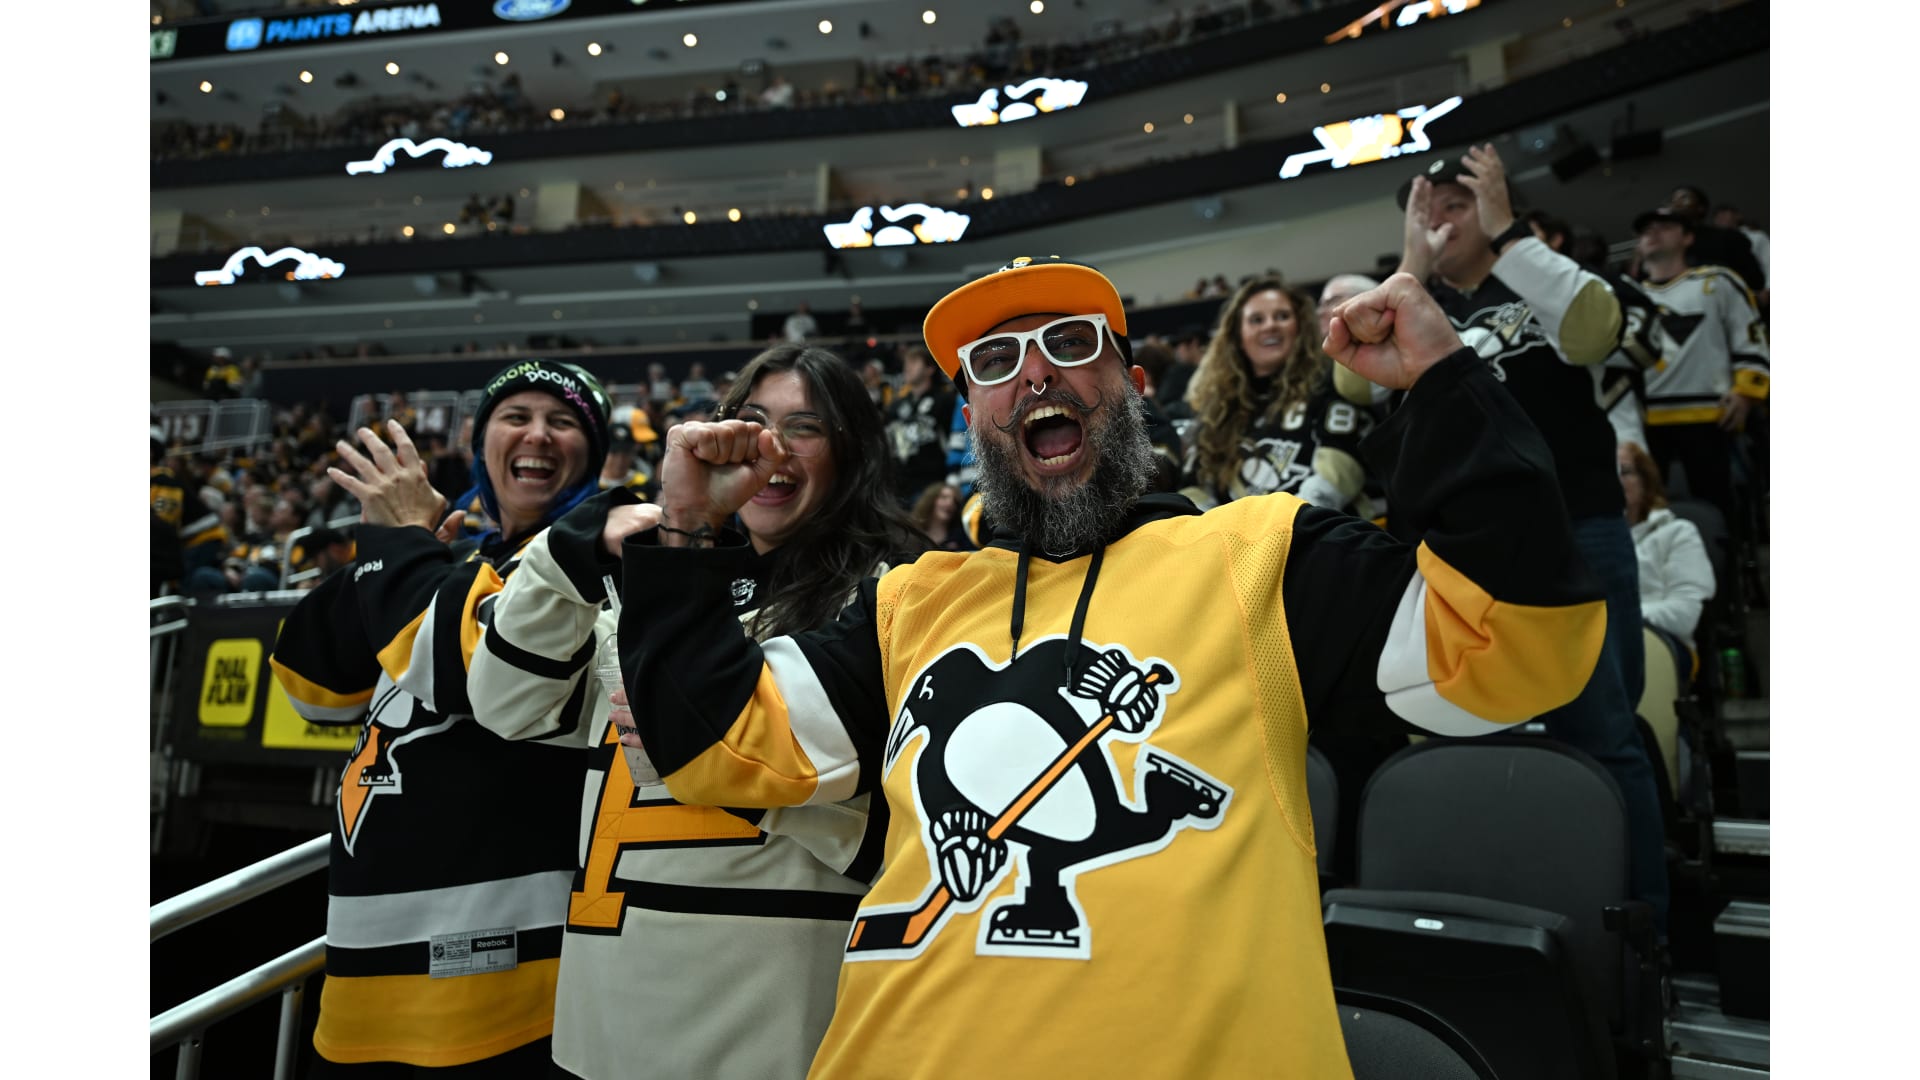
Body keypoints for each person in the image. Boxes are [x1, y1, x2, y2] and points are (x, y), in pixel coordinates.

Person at [602, 255, 1605, 1077]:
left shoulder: (1261, 556)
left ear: (1133, 386)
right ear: (971, 415)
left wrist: (1444, 381)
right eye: (997, 360)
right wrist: (685, 530)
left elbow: (1514, 647)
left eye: (1072, 343)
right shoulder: (911, 600)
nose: (1036, 373)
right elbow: (714, 747)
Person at [466, 344, 926, 1080]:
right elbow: (504, 705)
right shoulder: (652, 587)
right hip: (598, 1023)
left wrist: (716, 757)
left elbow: (913, 835)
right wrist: (569, 550)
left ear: (853, 453)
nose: (771, 446)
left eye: (805, 427)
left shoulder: (897, 596)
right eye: (752, 421)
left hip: (769, 1032)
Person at [269, 359, 615, 1075]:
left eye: (563, 422)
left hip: (500, 981)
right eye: (515, 417)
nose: (538, 435)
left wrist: (402, 552)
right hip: (362, 977)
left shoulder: (594, 565)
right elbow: (308, 687)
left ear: (594, 455)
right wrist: (387, 550)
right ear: (479, 442)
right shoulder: (446, 566)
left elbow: (467, 675)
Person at [1397, 145, 1669, 932]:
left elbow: (1593, 332)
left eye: (1458, 204)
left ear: (1495, 204)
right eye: (1427, 211)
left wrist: (1510, 234)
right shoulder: (1420, 304)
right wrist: (1411, 268)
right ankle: (1527, 918)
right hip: (1472, 552)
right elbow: (1354, 384)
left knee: (1605, 731)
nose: (1442, 223)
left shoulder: (1549, 280)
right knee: (1489, 738)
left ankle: (1641, 932)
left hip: (1579, 526)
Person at [1629, 206, 1770, 539]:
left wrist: (1746, 392)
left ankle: (1730, 570)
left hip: (1711, 416)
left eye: (1665, 226)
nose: (1653, 233)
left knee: (1719, 512)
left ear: (1688, 237)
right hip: (1644, 423)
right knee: (1649, 517)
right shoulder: (1627, 295)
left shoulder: (1717, 281)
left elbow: (1749, 335)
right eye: (1646, 229)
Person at [1179, 278, 1376, 513]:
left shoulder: (1330, 380)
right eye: (1256, 320)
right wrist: (1217, 528)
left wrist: (1288, 522)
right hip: (1232, 533)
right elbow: (1194, 487)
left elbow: (1341, 468)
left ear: (1300, 327)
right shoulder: (1219, 404)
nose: (1270, 326)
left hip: (1317, 526)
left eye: (1282, 316)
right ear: (1238, 336)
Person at [1620, 441, 1715, 660]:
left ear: (1645, 481)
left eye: (1625, 472)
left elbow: (1685, 614)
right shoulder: (1584, 541)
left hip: (1665, 645)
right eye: (1609, 472)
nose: (1615, 480)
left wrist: (1619, 619)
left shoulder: (1678, 533)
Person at [886, 345, 956, 502]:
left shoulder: (944, 401)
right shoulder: (896, 405)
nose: (907, 367)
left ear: (930, 369)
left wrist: (952, 479)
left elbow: (954, 441)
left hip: (932, 484)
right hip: (899, 486)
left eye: (914, 362)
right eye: (906, 363)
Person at [910, 482, 973, 552]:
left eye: (955, 501)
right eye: (944, 497)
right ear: (930, 500)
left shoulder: (961, 537)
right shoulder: (913, 532)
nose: (950, 503)